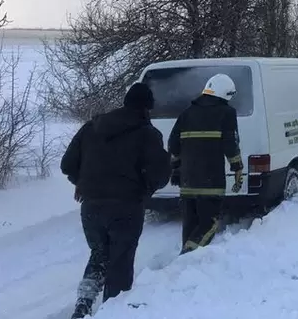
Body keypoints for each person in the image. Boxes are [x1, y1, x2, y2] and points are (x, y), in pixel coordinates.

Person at [60, 83, 171, 319]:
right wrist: (146, 188)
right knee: (120, 262)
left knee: (99, 253)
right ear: (147, 108)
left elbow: (67, 164)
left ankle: (84, 302)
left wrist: (83, 183)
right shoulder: (147, 133)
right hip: (126, 207)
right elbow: (160, 175)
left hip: (91, 206)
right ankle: (113, 312)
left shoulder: (92, 127)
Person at [169, 73, 243, 255]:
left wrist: (177, 169)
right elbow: (230, 144)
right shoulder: (227, 113)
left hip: (187, 182)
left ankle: (184, 265)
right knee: (209, 224)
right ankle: (187, 257)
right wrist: (238, 168)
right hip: (212, 181)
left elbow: (173, 144)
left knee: (190, 225)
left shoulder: (186, 113)